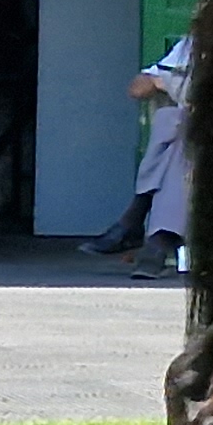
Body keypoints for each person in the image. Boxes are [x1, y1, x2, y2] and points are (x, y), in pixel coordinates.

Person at [79, 36, 194, 279]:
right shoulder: (195, 43)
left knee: (182, 128)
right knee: (176, 125)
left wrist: (171, 83)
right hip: (199, 139)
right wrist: (170, 82)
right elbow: (138, 87)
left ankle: (135, 220)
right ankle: (157, 240)